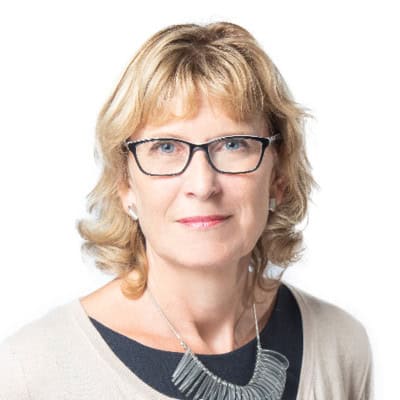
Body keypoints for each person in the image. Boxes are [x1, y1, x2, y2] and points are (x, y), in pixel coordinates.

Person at [0, 21, 373, 400]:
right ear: (125, 184)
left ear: (277, 175)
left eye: (233, 144)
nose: (203, 184)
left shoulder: (342, 347)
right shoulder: (31, 372)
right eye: (166, 147)